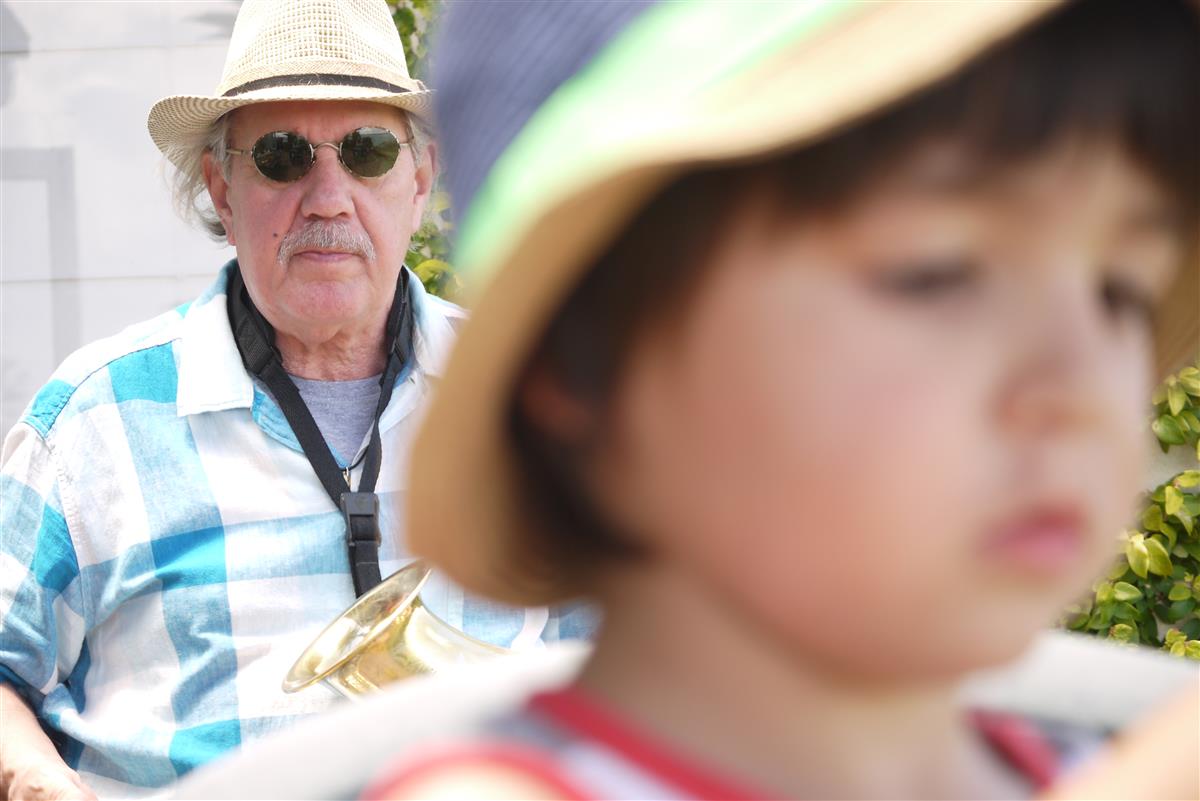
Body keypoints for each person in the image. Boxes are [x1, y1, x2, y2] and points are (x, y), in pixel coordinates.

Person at [365, 0, 1200, 798]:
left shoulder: (1076, 760)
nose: (1083, 390)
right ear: (580, 359)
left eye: (1122, 291)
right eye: (935, 272)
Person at [0, 2, 592, 799]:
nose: (328, 197)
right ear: (222, 189)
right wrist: (37, 780)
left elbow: (627, 663)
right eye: (282, 156)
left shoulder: (525, 389)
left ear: (420, 180)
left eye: (368, 151)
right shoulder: (91, 421)